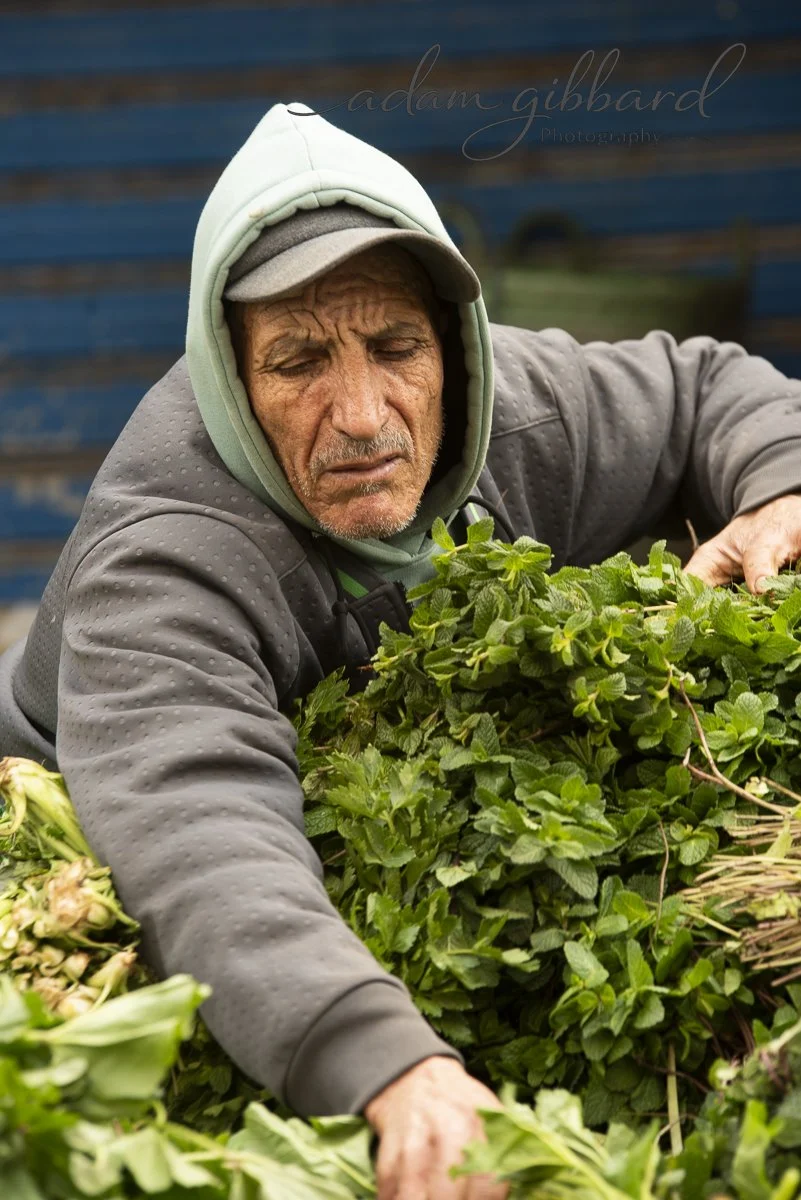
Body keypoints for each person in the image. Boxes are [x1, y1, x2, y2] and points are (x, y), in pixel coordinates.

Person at [2, 100, 801, 1199]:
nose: (366, 413)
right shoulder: (168, 554)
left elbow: (707, 385)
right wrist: (390, 1065)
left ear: (448, 346)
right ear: (230, 377)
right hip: (76, 828)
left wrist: (779, 488)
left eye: (394, 348)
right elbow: (201, 829)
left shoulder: (503, 409)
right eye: (298, 363)